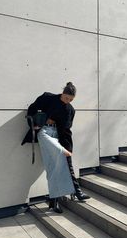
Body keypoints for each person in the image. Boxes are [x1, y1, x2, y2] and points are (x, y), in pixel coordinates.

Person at [22, 82, 90, 213]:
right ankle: (73, 190)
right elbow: (32, 108)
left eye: (71, 100)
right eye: (66, 98)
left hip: (58, 135)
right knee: (60, 156)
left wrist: (69, 147)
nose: (67, 101)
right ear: (62, 93)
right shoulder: (48, 97)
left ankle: (55, 201)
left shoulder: (70, 109)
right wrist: (35, 123)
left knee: (54, 167)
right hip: (44, 132)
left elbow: (66, 129)